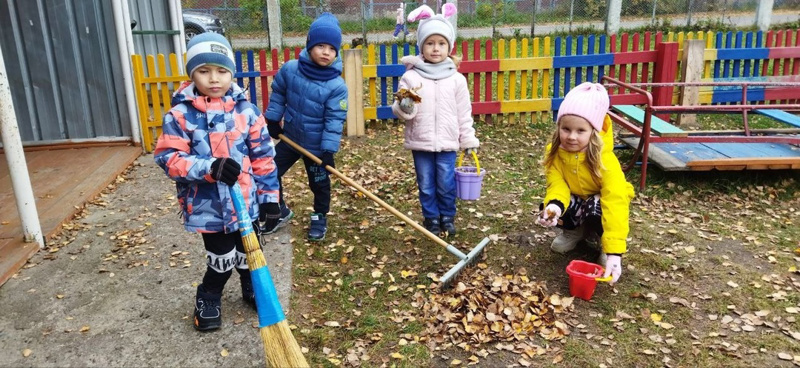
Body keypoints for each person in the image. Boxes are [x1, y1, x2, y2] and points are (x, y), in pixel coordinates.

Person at [154, 33, 281, 331]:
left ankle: (251, 286)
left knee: (250, 253)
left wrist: (270, 198)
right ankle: (209, 294)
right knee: (222, 258)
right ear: (192, 73)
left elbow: (264, 156)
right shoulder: (180, 115)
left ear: (231, 73)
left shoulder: (246, 112)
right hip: (208, 207)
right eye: (204, 71)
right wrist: (209, 166)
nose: (214, 79)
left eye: (222, 71)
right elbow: (168, 158)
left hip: (246, 203)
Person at [391, 4, 479, 237]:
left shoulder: (456, 79)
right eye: (430, 43)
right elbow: (402, 111)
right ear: (421, 46)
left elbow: (464, 112)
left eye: (441, 43)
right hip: (421, 140)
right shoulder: (411, 76)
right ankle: (431, 217)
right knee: (427, 183)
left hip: (448, 141)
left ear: (449, 47)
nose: (435, 48)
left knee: (446, 182)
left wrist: (467, 138)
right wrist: (404, 105)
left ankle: (447, 216)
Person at [536, 82, 635, 284]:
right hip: (576, 199)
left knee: (597, 205)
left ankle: (602, 242)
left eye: (580, 130)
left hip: (599, 203)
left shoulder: (606, 161)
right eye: (566, 129)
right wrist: (553, 207)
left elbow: (615, 202)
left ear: (594, 132)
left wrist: (615, 250)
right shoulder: (555, 153)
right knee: (561, 202)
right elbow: (557, 185)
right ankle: (573, 232)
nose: (571, 136)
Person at [263, 12, 348, 242]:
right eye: (320, 45)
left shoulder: (336, 85)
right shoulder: (291, 69)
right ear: (310, 45)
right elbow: (279, 93)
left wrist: (328, 150)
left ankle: (320, 216)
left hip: (317, 147)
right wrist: (273, 119)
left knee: (319, 183)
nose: (326, 52)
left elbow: (334, 119)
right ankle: (278, 210)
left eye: (331, 48)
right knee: (268, 171)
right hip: (291, 137)